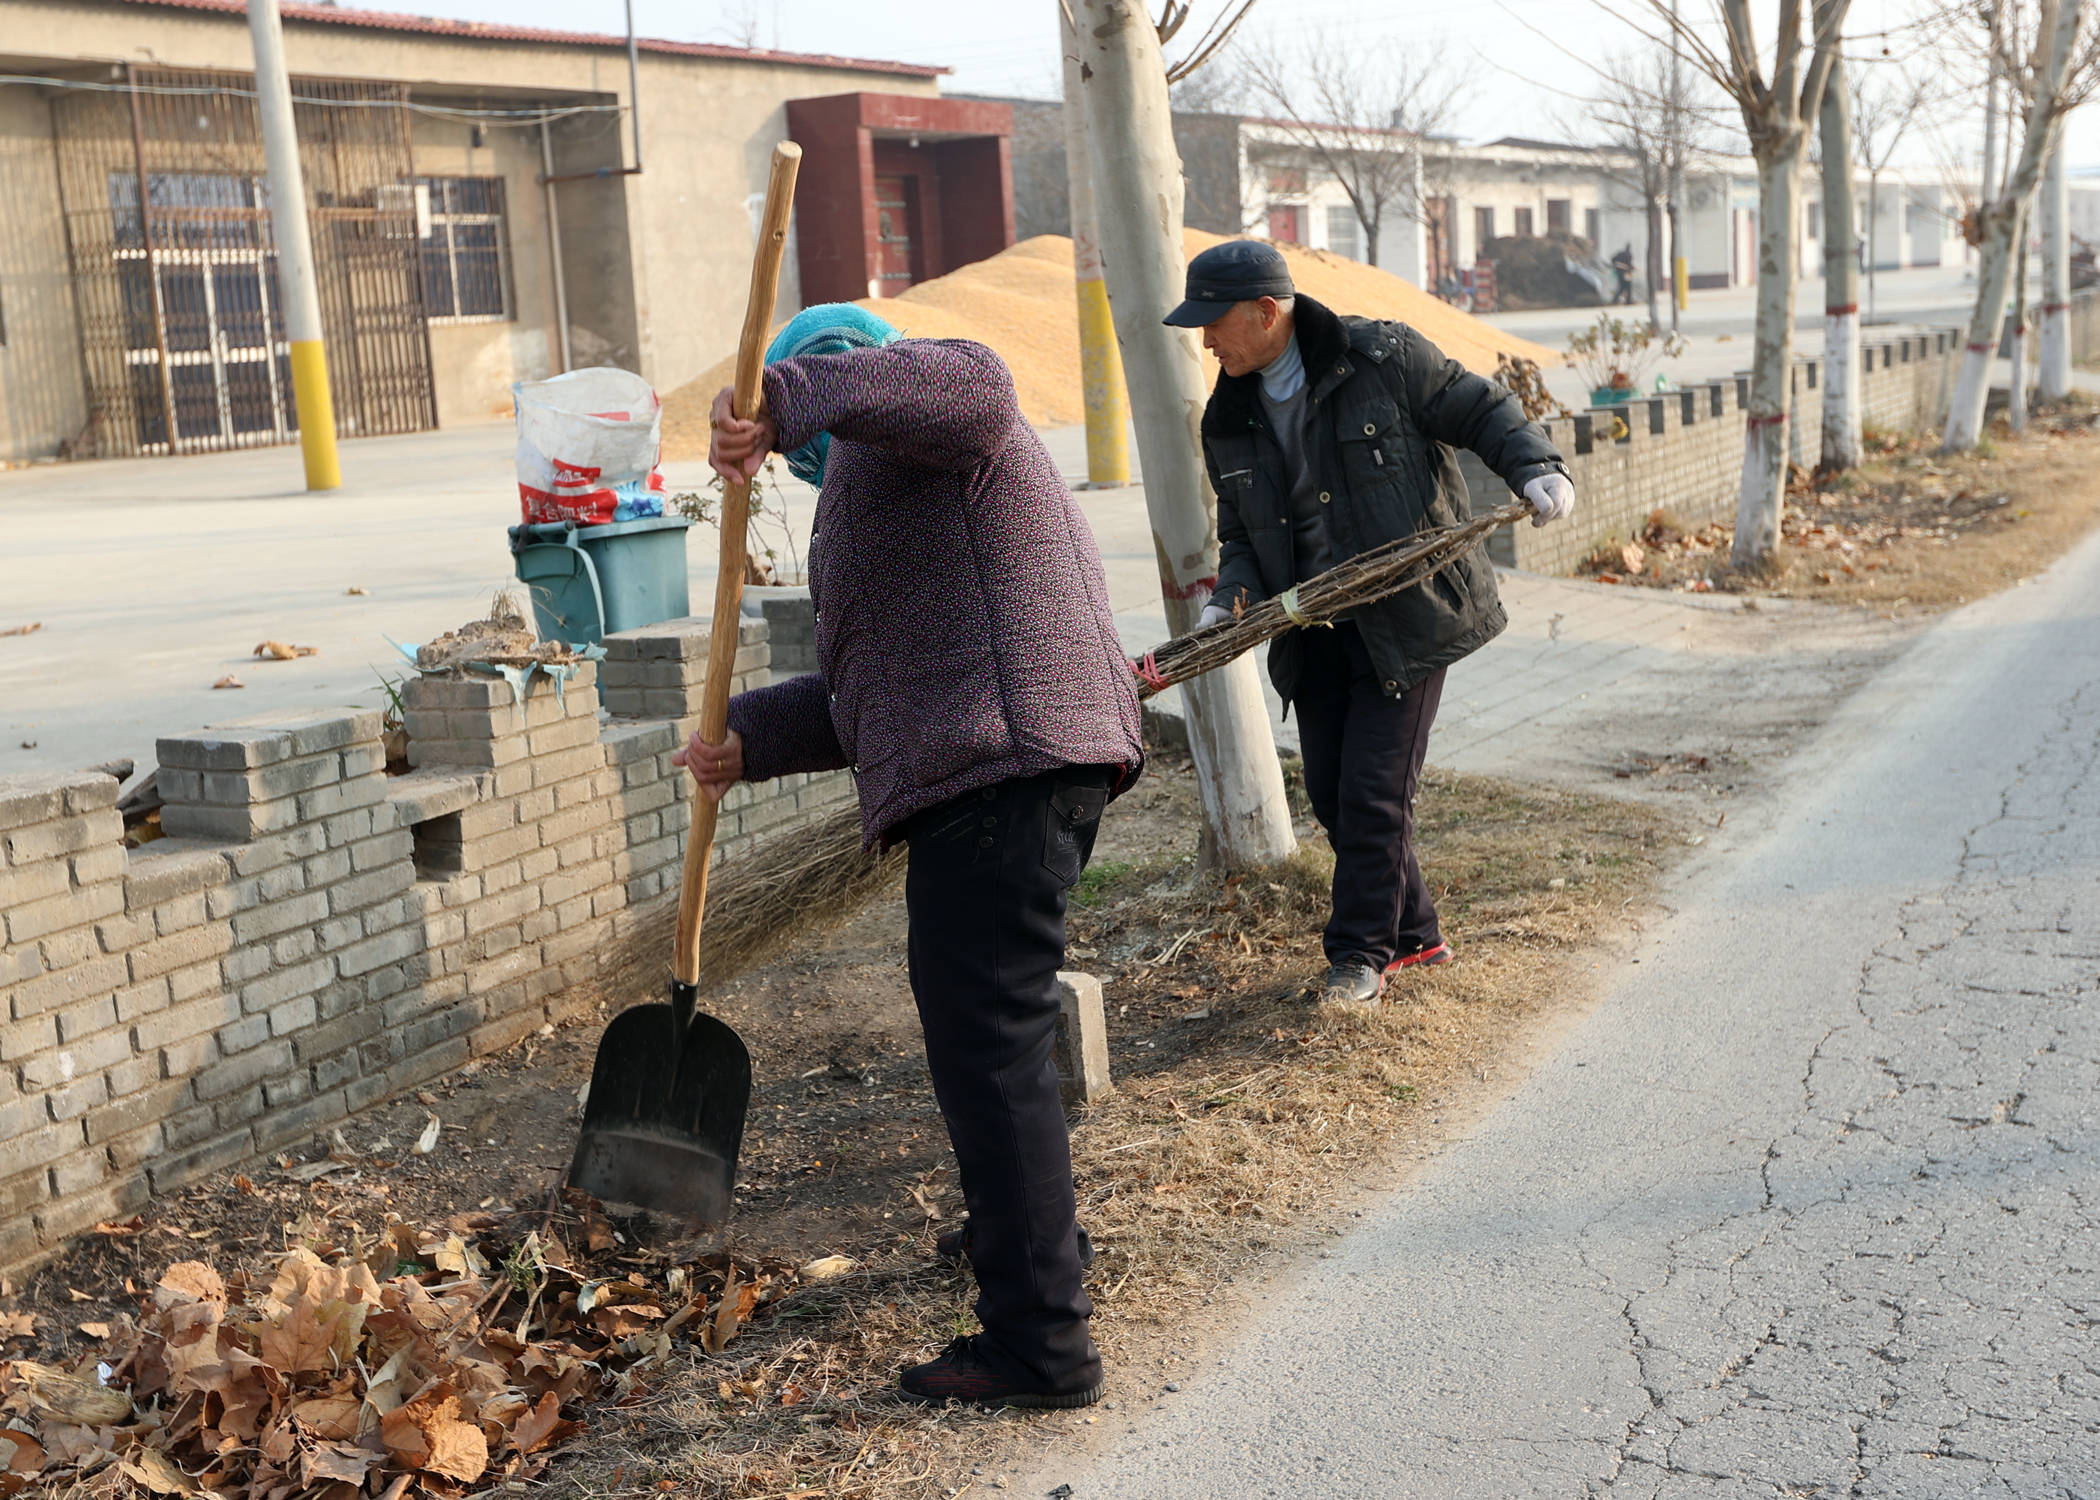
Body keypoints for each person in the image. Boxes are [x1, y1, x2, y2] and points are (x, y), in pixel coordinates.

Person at [675, 304, 1142, 1410]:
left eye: (812, 418)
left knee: (990, 1057)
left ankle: (1041, 1345)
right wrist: (750, 739)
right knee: (992, 1050)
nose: (802, 461)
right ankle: (1024, 1243)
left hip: (1004, 773)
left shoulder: (945, 424)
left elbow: (972, 379)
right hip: (1006, 770)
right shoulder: (886, 496)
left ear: (857, 378)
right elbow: (879, 691)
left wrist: (786, 394)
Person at [1166, 240, 1575, 1006]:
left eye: (1214, 324)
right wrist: (1230, 595)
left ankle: (1359, 957)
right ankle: (1417, 936)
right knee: (1330, 789)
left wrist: (1535, 467)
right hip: (1311, 626)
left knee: (1375, 793)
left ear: (1265, 312)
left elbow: (1479, 406)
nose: (1206, 342)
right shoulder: (1226, 417)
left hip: (1409, 612)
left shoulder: (1382, 357)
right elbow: (1243, 533)